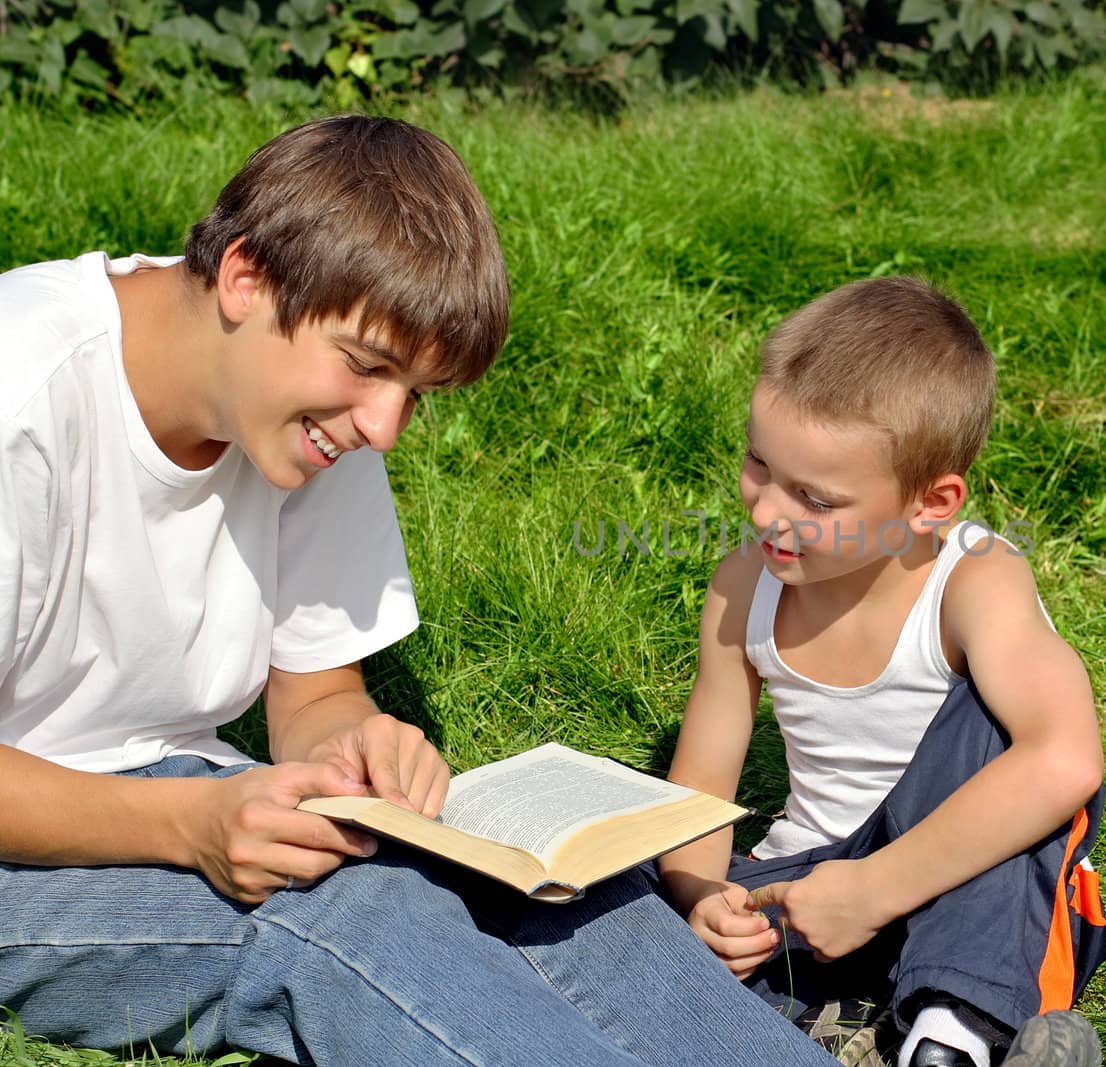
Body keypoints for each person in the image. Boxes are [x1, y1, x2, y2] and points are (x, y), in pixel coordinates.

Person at [0, 115, 835, 1067]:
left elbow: (315, 693)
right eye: (368, 368)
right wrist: (183, 825)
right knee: (349, 916)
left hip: (185, 790)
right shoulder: (22, 390)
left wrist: (356, 742)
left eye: (415, 392)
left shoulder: (307, 402)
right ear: (244, 276)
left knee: (560, 893)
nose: (386, 426)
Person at [656, 277, 1106, 1067]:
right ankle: (836, 1026)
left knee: (1001, 738)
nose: (767, 512)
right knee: (613, 867)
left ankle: (950, 1039)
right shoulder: (743, 587)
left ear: (930, 503)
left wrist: (874, 891)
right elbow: (698, 792)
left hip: (969, 886)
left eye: (814, 498)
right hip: (810, 888)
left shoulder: (973, 581)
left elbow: (1067, 758)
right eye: (758, 463)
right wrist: (704, 899)